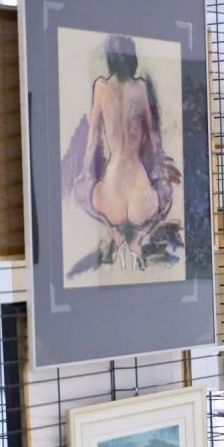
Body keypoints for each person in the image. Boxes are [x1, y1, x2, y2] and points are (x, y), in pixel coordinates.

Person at [74, 34, 179, 272]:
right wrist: (159, 169)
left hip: (111, 193)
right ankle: (138, 239)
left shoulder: (101, 87)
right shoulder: (139, 87)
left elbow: (92, 137)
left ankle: (115, 233)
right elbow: (152, 134)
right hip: (140, 195)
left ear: (110, 59)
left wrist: (84, 172)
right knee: (167, 194)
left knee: (80, 190)